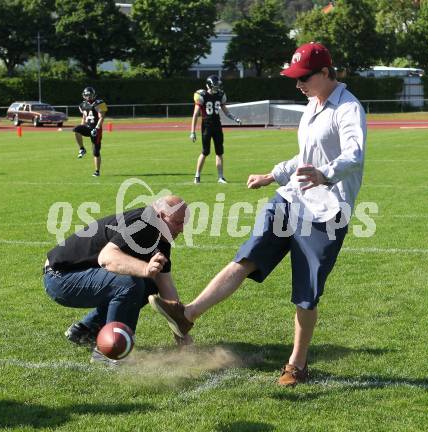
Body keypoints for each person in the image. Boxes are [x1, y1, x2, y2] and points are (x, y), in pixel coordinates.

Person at [149, 42, 367, 386]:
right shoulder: (313, 104)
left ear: (326, 73)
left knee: (306, 293)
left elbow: (354, 154)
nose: (298, 85)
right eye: (295, 79)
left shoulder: (348, 108)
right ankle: (187, 313)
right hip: (290, 199)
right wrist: (273, 175)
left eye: (304, 77)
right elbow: (304, 155)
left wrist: (325, 174)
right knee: (248, 255)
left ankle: (297, 364)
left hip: (326, 213)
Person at [43, 195, 192, 363]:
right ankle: (111, 354)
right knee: (129, 284)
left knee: (149, 284)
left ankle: (86, 330)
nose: (182, 229)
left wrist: (182, 335)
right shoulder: (141, 224)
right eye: (178, 222)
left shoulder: (161, 237)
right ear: (159, 216)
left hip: (77, 274)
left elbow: (166, 285)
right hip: (59, 276)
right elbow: (106, 258)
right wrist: (144, 268)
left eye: (184, 223)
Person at [190, 75, 242, 184]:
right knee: (205, 152)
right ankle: (197, 176)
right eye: (215, 85)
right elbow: (195, 114)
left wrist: (234, 118)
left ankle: (220, 177)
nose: (217, 87)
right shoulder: (201, 95)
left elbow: (226, 111)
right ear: (209, 85)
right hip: (206, 125)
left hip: (217, 125)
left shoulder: (220, 95)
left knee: (219, 152)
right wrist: (192, 131)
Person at [73, 87, 108, 177]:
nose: (88, 97)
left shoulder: (99, 103)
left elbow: (101, 117)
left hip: (96, 129)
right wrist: (82, 126)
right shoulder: (82, 105)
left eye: (89, 95)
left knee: (96, 151)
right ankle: (82, 149)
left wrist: (96, 128)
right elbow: (84, 118)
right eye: (86, 95)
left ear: (93, 94)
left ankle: (97, 171)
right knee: (76, 129)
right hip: (87, 127)